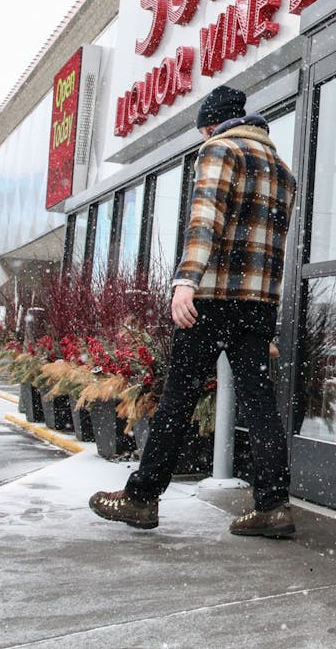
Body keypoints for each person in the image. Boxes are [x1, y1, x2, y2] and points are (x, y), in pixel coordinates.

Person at [90, 85, 297, 537]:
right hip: (258, 302)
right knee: (260, 401)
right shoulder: (282, 169)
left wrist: (186, 280)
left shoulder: (219, 150)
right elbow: (274, 248)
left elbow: (206, 219)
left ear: (211, 124)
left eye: (203, 130)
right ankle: (274, 505)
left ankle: (143, 498)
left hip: (212, 299)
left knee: (178, 396)